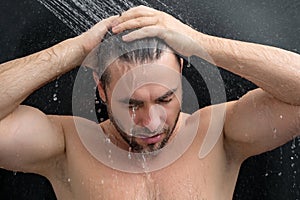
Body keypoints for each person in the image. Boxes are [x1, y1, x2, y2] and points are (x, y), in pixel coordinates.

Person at [0, 5, 299, 199]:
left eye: (165, 98)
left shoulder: (219, 134)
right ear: (101, 90)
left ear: (180, 74)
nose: (152, 122)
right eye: (133, 105)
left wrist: (201, 44)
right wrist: (74, 50)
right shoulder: (68, 145)